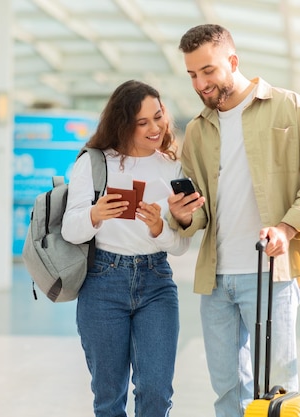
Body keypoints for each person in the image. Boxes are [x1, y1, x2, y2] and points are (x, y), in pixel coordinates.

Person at [167, 24, 300, 417]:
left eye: (208, 71)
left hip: (271, 274)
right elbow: (200, 211)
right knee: (227, 392)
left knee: (279, 393)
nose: (200, 83)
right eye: (192, 74)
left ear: (232, 60)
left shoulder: (289, 107)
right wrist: (182, 216)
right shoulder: (197, 129)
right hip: (216, 279)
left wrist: (286, 228)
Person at [62, 80, 190, 417]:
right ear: (122, 124)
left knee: (156, 391)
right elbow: (70, 230)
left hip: (156, 281)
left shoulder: (173, 169)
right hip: (102, 283)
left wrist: (159, 228)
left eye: (159, 117)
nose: (155, 128)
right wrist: (94, 214)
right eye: (142, 122)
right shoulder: (93, 163)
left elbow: (180, 246)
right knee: (108, 396)